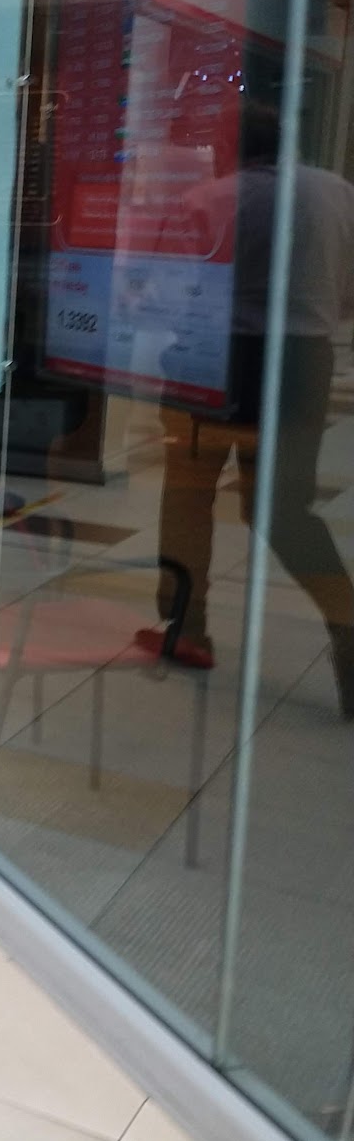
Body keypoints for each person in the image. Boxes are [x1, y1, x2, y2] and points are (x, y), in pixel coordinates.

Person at [149, 101, 354, 713]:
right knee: (284, 510)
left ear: (227, 148)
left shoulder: (207, 200)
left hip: (214, 361)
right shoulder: (339, 193)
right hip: (302, 364)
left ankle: (187, 627)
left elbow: (167, 290)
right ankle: (347, 623)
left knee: (188, 493)